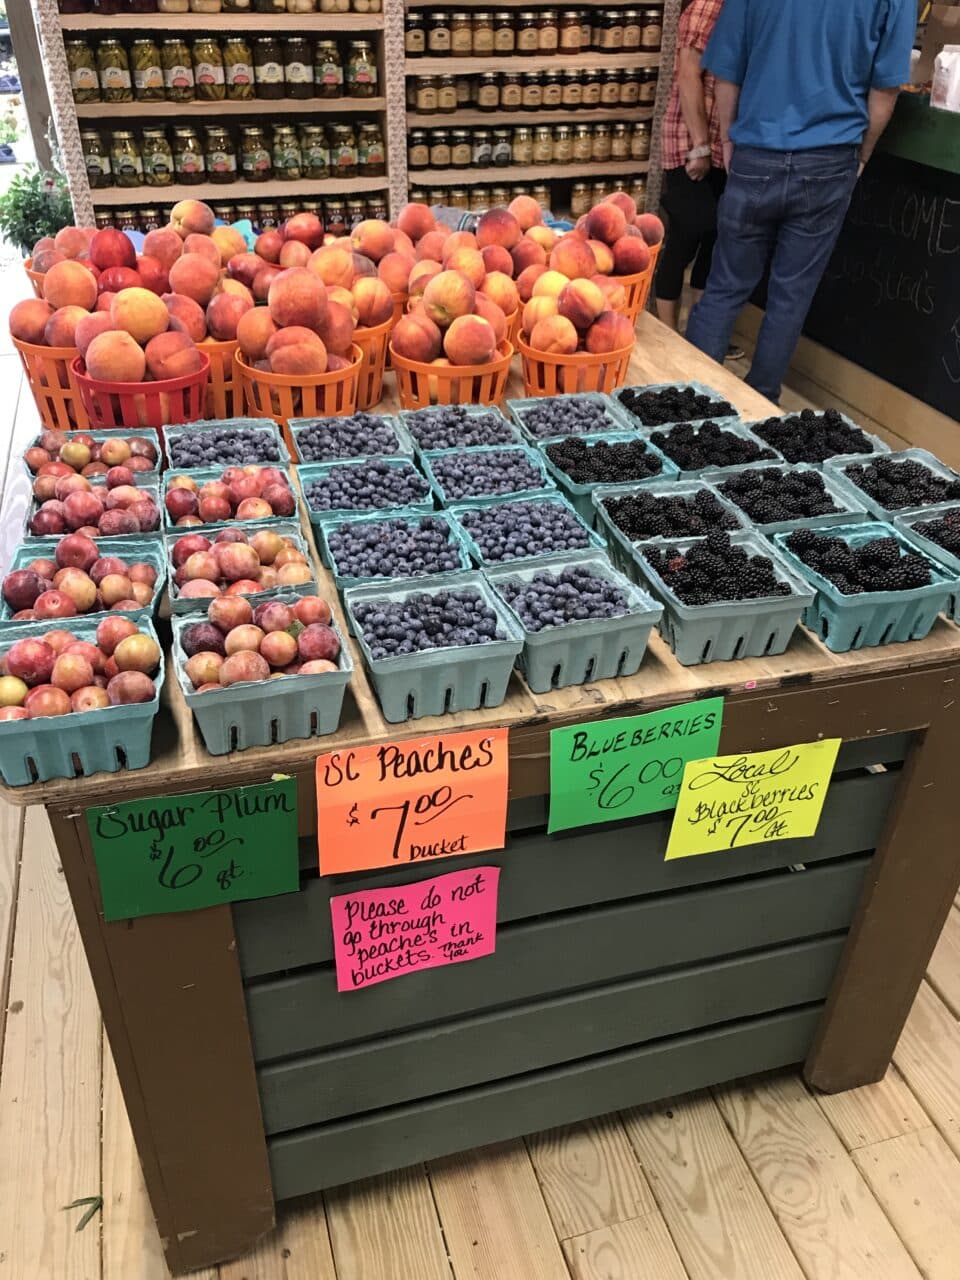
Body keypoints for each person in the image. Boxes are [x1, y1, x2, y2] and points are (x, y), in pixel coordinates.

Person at [684, 0, 916, 403]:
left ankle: (681, 404)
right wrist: (862, 155)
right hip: (829, 158)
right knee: (790, 297)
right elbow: (886, 89)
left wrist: (728, 141)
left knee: (724, 287)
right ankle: (760, 409)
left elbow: (726, 74)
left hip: (756, 148)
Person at [655, 0, 736, 354]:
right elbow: (689, 75)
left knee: (714, 242)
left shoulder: (739, 9)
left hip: (723, 147)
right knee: (685, 238)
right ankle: (668, 334)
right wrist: (700, 145)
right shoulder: (707, 7)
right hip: (691, 144)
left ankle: (699, 335)